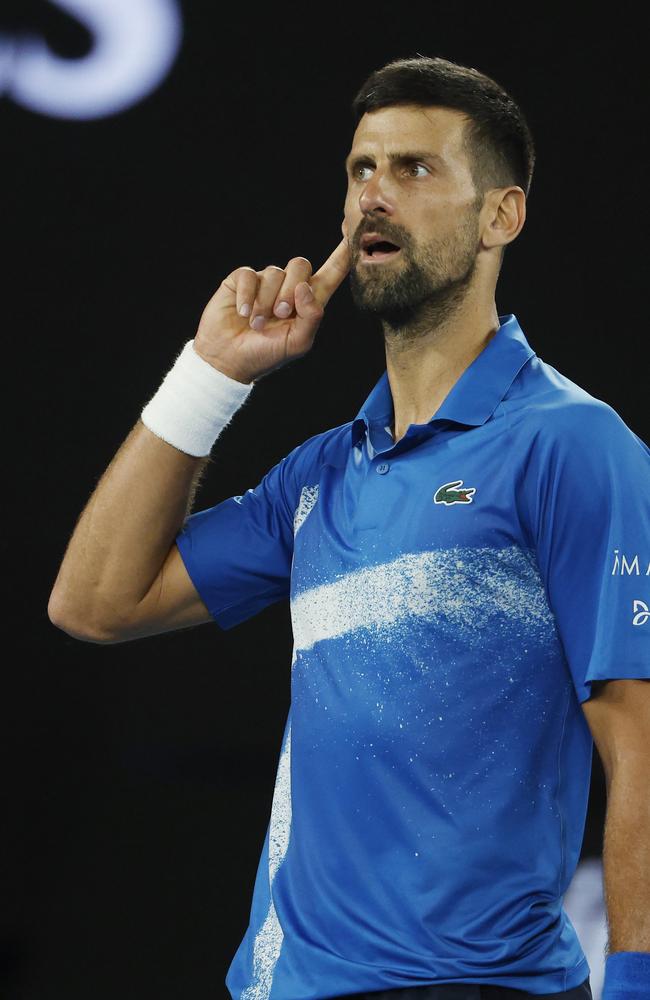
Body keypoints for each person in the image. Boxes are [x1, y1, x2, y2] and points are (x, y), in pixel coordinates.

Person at [48, 54, 650, 1000]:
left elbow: (640, 744)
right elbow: (95, 602)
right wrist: (214, 375)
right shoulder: (321, 473)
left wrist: (636, 983)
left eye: (414, 169)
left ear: (502, 216)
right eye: (361, 170)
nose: (375, 195)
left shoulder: (572, 444)